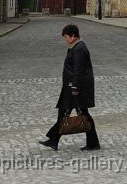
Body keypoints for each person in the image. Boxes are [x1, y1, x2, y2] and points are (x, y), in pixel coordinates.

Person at [39, 24, 100, 152]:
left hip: (76, 89)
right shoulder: (76, 47)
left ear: (73, 36)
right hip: (71, 87)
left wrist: (75, 87)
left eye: (66, 37)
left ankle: (93, 143)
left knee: (83, 115)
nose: (65, 40)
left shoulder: (79, 49)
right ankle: (54, 140)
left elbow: (78, 70)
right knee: (65, 113)